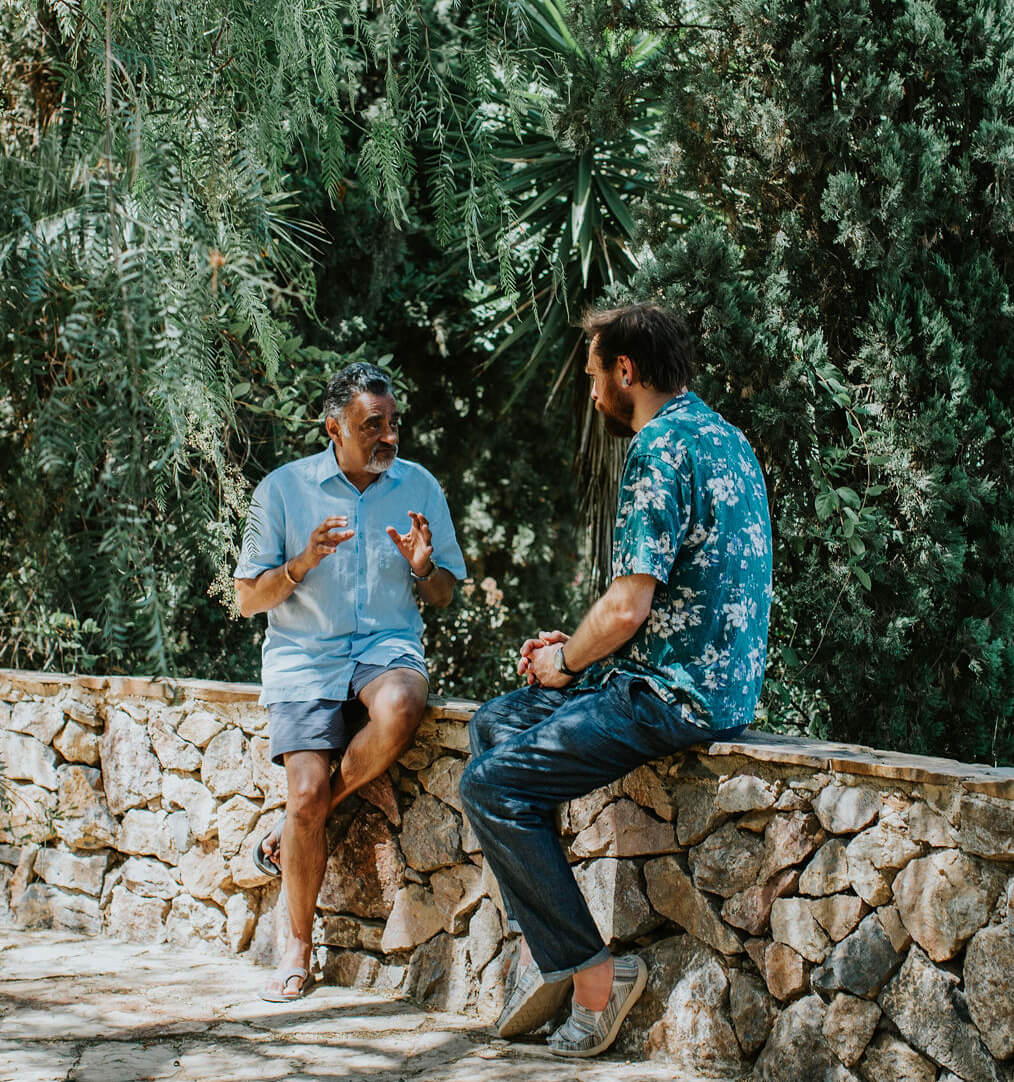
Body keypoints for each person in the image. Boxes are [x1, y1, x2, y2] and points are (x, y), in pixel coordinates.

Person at [459, 303, 773, 1058]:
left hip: (668, 699)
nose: (592, 391)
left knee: (490, 789)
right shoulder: (726, 438)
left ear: (626, 372)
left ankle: (597, 977)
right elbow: (676, 596)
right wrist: (577, 655)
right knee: (495, 725)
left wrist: (566, 664)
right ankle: (548, 951)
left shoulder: (657, 447)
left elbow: (630, 603)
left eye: (596, 375)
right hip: (708, 683)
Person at [234, 361, 466, 1002]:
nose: (390, 437)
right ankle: (297, 944)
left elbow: (446, 590)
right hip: (304, 657)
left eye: (394, 424)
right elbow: (249, 598)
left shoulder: (419, 487)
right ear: (333, 427)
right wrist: (302, 564)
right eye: (374, 426)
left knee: (403, 702)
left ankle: (289, 835)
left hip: (385, 646)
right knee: (304, 796)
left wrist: (424, 570)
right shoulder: (281, 490)